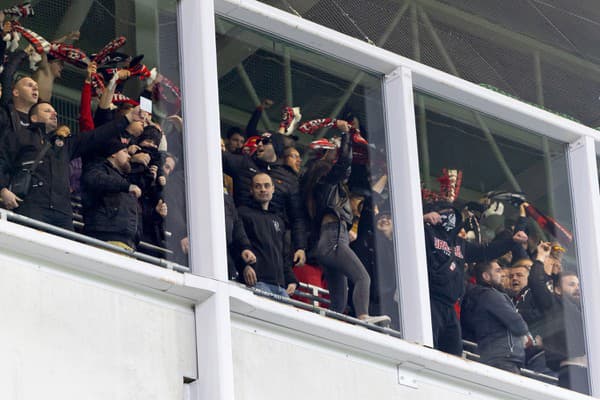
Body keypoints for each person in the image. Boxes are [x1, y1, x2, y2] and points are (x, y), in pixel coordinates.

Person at [0, 101, 143, 230]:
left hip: (63, 213)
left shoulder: (66, 144)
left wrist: (128, 118)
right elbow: (1, 162)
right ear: (34, 118)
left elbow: (97, 135)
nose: (54, 113)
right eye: (47, 111)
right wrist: (2, 189)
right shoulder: (19, 137)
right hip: (31, 206)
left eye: (54, 111)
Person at [302, 120, 389, 326]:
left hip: (332, 239)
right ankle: (363, 317)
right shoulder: (323, 176)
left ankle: (329, 328)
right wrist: (346, 136)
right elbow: (343, 166)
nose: (336, 151)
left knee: (339, 303)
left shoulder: (323, 181)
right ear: (323, 155)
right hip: (333, 239)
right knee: (363, 278)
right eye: (332, 149)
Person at [423, 196, 528, 356]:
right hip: (431, 300)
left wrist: (512, 242)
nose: (448, 217)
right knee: (427, 348)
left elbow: (485, 251)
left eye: (451, 213)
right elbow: (402, 231)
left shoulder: (459, 243)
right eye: (443, 213)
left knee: (454, 356)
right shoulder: (425, 233)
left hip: (450, 307)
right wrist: (421, 220)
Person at [529, 242, 588, 394]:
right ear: (557, 289)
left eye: (578, 285)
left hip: (590, 375)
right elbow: (536, 283)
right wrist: (541, 257)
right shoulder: (554, 306)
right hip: (572, 372)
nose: (577, 288)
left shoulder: (586, 312)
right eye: (571, 284)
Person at [461, 260, 530, 373]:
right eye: (497, 271)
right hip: (503, 358)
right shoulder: (490, 295)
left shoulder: (478, 296)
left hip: (493, 356)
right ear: (486, 276)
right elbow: (518, 325)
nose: (502, 274)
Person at [237, 173, 296, 297]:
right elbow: (235, 244)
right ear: (251, 190)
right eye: (258, 186)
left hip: (280, 287)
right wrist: (244, 266)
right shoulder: (243, 214)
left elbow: (283, 254)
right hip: (257, 283)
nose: (263, 189)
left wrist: (290, 279)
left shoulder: (279, 220)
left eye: (266, 185)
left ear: (273, 189)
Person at [81, 140, 141, 250]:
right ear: (113, 153)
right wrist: (126, 186)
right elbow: (94, 179)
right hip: (105, 238)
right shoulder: (97, 168)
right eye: (125, 151)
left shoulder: (123, 180)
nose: (129, 156)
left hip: (128, 243)